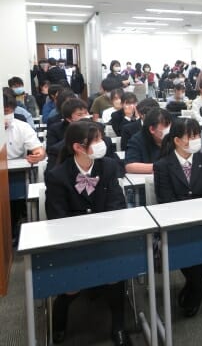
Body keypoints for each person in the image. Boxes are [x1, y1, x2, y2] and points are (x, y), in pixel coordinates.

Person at [44, 120, 131, 345]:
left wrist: (105, 231)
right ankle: (60, 316)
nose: (102, 143)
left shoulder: (108, 166)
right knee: (71, 287)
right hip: (73, 242)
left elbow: (117, 203)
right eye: (96, 140)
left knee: (116, 275)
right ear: (78, 147)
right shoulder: (57, 175)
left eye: (101, 137)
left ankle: (119, 325)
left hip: (106, 237)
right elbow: (57, 219)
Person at [154, 118, 202, 318]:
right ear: (177, 140)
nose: (197, 139)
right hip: (176, 223)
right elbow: (166, 201)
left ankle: (193, 283)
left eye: (198, 135)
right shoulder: (163, 165)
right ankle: (197, 286)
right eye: (191, 136)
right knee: (185, 245)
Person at [4, 92, 46, 241]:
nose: (5, 115)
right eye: (3, 111)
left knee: (15, 199)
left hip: (15, 173)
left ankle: (14, 229)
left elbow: (39, 150)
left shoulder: (21, 126)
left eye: (8, 111)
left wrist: (38, 154)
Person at [125, 107, 172, 174]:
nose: (169, 129)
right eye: (166, 125)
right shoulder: (137, 140)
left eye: (170, 125)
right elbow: (130, 166)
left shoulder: (174, 138)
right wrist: (161, 167)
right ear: (152, 129)